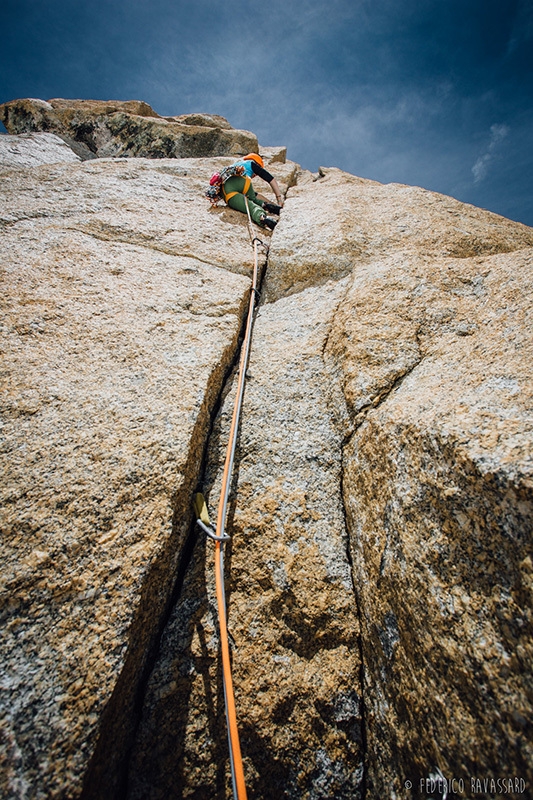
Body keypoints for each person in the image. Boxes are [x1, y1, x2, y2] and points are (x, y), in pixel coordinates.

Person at [209, 153, 284, 229]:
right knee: (253, 200)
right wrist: (279, 199)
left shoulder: (234, 167)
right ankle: (266, 206)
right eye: (255, 175)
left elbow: (253, 195)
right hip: (242, 181)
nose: (254, 176)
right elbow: (270, 179)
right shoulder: (251, 163)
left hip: (227, 195)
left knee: (250, 206)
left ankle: (263, 218)